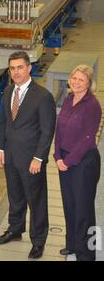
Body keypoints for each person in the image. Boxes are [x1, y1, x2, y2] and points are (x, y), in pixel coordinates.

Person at [0, 51, 56, 259]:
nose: (16, 72)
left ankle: (38, 241)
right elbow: (4, 123)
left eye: (20, 67)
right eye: (12, 68)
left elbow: (47, 131)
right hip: (10, 156)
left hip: (31, 160)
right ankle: (15, 229)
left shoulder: (43, 96)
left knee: (36, 200)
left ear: (29, 68)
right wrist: (0, 149)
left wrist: (39, 158)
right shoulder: (9, 91)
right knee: (15, 195)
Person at [54, 65, 101, 261]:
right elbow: (59, 130)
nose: (76, 82)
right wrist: (57, 157)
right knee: (69, 204)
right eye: (74, 78)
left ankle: (87, 253)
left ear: (89, 84)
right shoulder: (67, 99)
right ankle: (72, 244)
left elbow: (88, 138)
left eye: (81, 80)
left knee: (84, 208)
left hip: (83, 163)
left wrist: (68, 161)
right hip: (64, 160)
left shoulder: (92, 105)